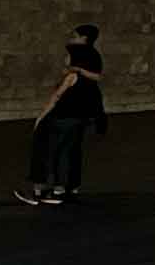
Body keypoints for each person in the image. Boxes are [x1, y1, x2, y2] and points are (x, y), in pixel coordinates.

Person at [17, 25, 106, 206]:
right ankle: (62, 189)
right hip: (79, 119)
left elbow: (56, 97)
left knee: (48, 151)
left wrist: (41, 116)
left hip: (62, 118)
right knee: (69, 152)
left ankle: (42, 190)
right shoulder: (89, 79)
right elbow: (97, 79)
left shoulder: (72, 76)